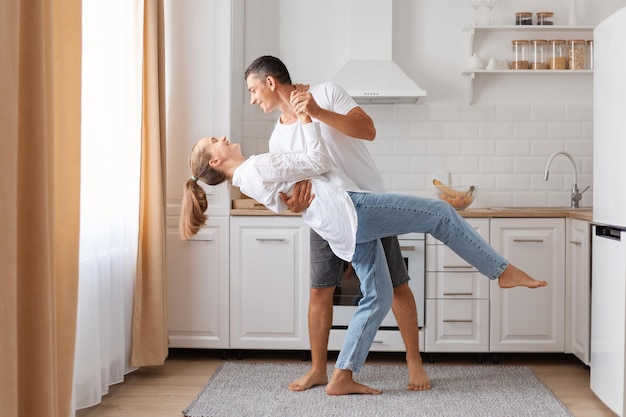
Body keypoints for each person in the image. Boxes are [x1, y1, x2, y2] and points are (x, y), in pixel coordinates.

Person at [179, 106, 548, 396]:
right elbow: (318, 163)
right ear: (215, 161)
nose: (223, 137)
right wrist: (307, 118)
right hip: (351, 210)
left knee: (379, 293)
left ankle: (342, 374)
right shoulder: (256, 167)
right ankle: (501, 271)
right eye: (216, 140)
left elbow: (301, 186)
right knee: (439, 212)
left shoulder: (249, 179)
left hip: (340, 223)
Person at [244, 55, 431, 392]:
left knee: (397, 286)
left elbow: (368, 130)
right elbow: (294, 188)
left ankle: (414, 361)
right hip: (323, 217)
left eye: (254, 90)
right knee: (320, 292)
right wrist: (293, 204)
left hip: (366, 205)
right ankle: (318, 369)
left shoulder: (327, 93)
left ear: (271, 82)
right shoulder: (277, 140)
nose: (253, 98)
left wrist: (315, 112)